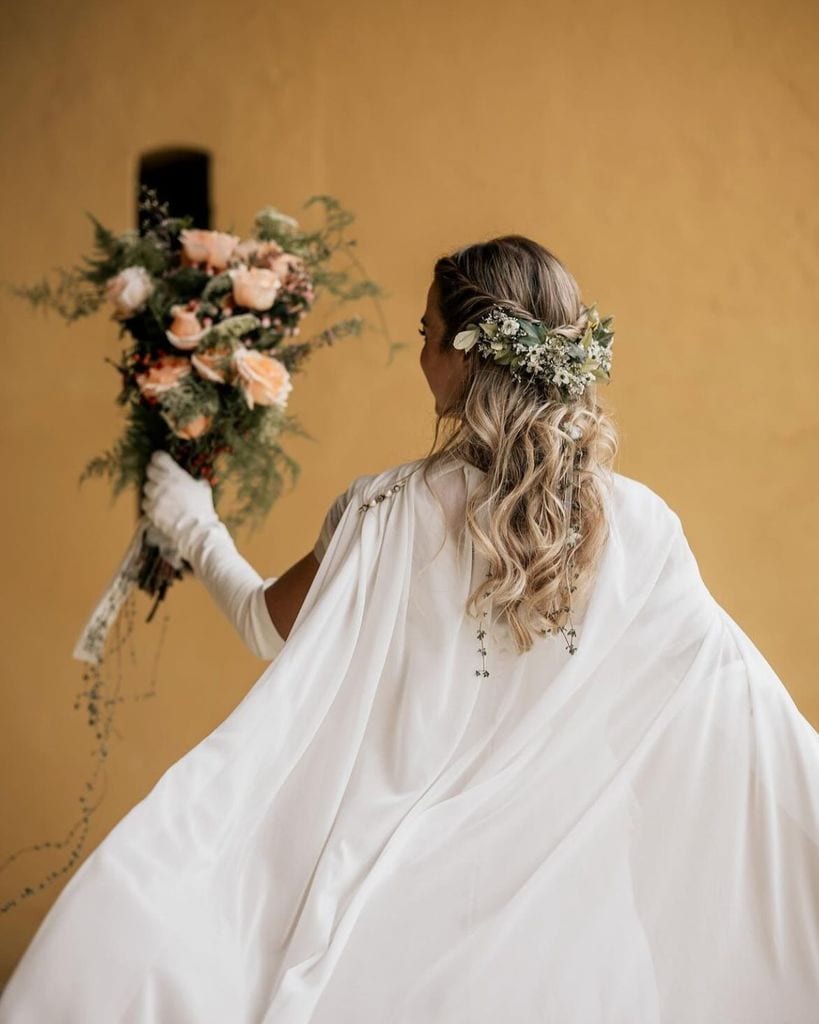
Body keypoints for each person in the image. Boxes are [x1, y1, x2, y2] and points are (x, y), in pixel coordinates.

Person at [1, 235, 817, 1022]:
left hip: (392, 896)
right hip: (558, 922)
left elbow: (262, 626)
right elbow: (738, 712)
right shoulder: (644, 526)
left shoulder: (384, 511)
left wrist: (193, 525)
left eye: (427, 335)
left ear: (467, 355)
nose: (419, 354)